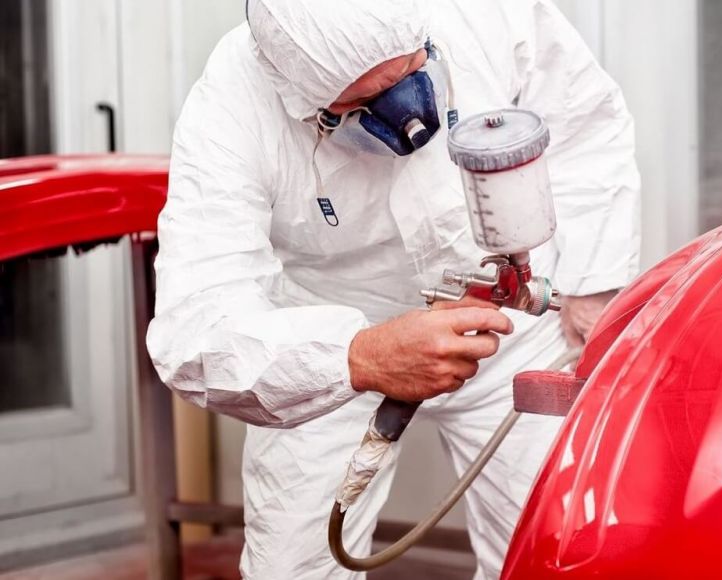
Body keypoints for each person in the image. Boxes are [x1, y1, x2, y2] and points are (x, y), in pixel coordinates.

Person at [146, 0, 640, 577]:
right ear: (298, 97)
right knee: (294, 567)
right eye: (362, 102)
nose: (412, 114)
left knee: (558, 551)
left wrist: (593, 286)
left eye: (415, 67)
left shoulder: (484, 12)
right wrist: (358, 357)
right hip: (330, 345)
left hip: (509, 330)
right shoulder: (233, 103)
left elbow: (586, 126)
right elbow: (195, 328)